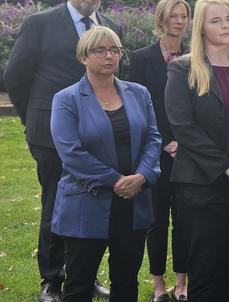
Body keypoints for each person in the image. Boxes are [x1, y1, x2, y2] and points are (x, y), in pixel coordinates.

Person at [2, 0, 122, 302]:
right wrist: (34, 118)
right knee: (58, 203)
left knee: (94, 204)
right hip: (51, 136)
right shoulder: (40, 24)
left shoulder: (111, 28)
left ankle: (83, 274)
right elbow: (15, 77)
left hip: (99, 134)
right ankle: (52, 281)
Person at [50, 26, 161, 302]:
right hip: (86, 204)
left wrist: (142, 176)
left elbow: (153, 138)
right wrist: (116, 180)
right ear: (83, 57)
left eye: (114, 50)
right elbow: (71, 153)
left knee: (126, 282)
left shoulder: (139, 93)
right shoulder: (66, 99)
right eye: (100, 50)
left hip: (132, 203)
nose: (109, 56)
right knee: (79, 284)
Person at [164, 0, 229, 301]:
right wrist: (224, 166)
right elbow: (184, 127)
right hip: (202, 185)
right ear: (201, 28)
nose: (225, 25)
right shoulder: (184, 70)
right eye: (216, 20)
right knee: (205, 273)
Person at [129, 0, 190, 302]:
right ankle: (158, 285)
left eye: (184, 16)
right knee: (156, 220)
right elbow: (138, 106)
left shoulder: (195, 56)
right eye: (174, 16)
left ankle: (182, 283)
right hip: (154, 151)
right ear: (161, 19)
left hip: (188, 153)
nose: (179, 21)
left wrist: (185, 141)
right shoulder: (141, 58)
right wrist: (164, 140)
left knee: (184, 219)